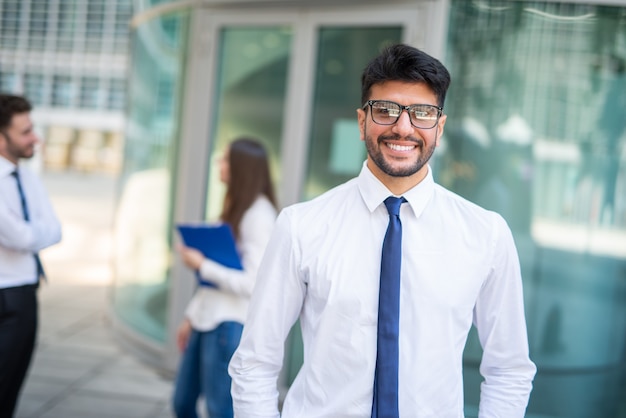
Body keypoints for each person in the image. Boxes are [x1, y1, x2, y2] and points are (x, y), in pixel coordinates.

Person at [229, 44, 536, 417]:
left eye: (422, 113)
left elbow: (509, 370)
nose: (403, 127)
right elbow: (255, 363)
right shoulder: (301, 227)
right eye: (386, 110)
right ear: (362, 122)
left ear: (439, 128)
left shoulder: (486, 235)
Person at [172, 137, 279, 418]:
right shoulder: (236, 208)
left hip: (228, 325)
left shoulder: (259, 216)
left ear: (240, 168)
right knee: (182, 402)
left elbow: (255, 283)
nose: (219, 164)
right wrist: (190, 316)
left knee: (220, 410)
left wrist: (202, 264)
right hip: (207, 319)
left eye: (224, 159)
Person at [0, 94, 62, 418]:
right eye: (25, 131)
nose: (35, 137)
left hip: (26, 291)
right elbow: (21, 235)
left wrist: (29, 234)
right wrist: (30, 234)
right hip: (3, 291)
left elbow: (55, 229)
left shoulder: (27, 176)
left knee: (12, 387)